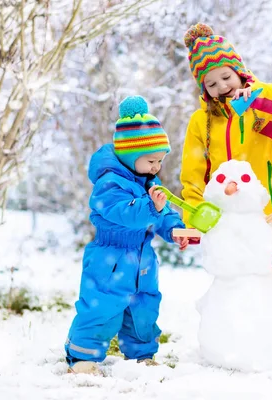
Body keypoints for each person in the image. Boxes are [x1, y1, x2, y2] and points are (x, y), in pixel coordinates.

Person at [65, 95, 188, 375]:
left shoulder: (148, 181)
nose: (157, 167)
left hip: (143, 258)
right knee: (102, 308)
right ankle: (83, 356)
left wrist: (174, 229)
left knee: (144, 308)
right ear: (132, 157)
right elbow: (124, 213)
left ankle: (141, 355)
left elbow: (163, 211)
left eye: (160, 160)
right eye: (151, 160)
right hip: (111, 258)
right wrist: (150, 206)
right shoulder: (109, 183)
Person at [180, 23, 272, 284]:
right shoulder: (200, 122)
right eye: (211, 83)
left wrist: (259, 96)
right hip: (227, 230)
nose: (222, 86)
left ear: (239, 72)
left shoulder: (265, 108)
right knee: (236, 300)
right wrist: (194, 219)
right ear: (204, 88)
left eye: (226, 77)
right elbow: (193, 178)